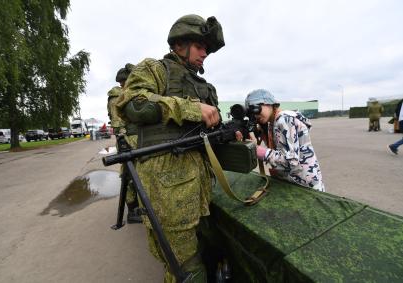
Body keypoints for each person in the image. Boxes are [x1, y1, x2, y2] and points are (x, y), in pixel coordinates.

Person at [116, 14, 225, 281]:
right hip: (168, 190)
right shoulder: (154, 69)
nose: (204, 54)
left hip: (200, 184)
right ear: (179, 44)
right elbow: (133, 103)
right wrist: (190, 108)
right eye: (200, 47)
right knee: (186, 268)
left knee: (208, 255)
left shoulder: (204, 87)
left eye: (207, 49)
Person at [238, 89, 325, 192]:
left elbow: (290, 161)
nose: (255, 115)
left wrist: (258, 150)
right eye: (251, 113)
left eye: (256, 109)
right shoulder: (272, 123)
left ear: (269, 103)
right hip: (295, 183)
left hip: (305, 186)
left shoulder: (284, 119)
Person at [107, 63, 142, 224]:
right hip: (127, 139)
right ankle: (132, 210)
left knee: (140, 174)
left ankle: (139, 206)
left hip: (138, 138)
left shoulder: (131, 92)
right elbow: (116, 120)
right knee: (128, 175)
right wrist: (122, 141)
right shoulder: (117, 94)